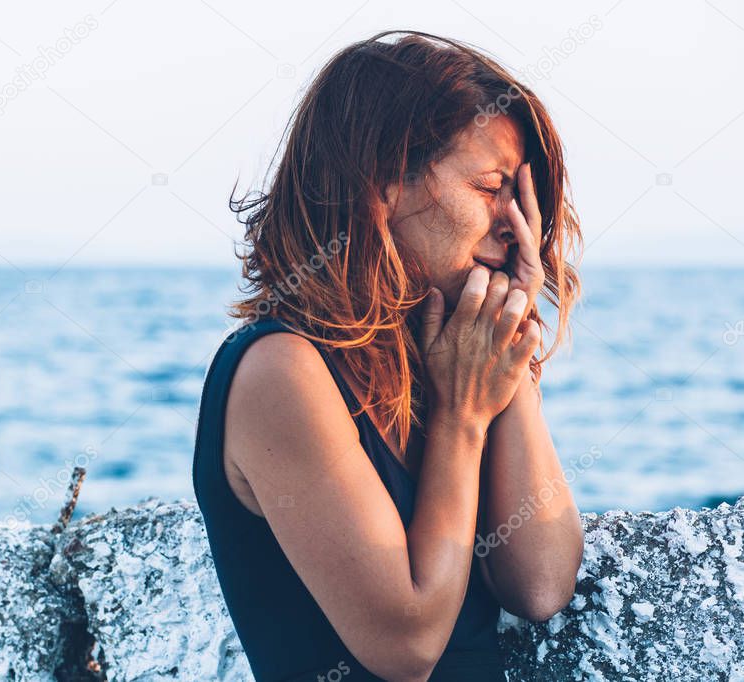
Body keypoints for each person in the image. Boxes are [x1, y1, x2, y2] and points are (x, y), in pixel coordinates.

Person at [192, 30, 585, 682]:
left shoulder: (442, 362)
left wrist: (506, 355)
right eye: (491, 188)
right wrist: (461, 419)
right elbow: (406, 647)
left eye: (523, 199)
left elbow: (538, 583)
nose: (517, 225)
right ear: (381, 181)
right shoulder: (282, 371)